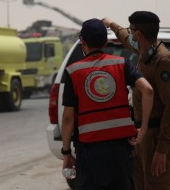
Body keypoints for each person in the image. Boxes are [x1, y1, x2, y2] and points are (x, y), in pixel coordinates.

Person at [61, 18, 154, 190]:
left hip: (89, 152)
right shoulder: (121, 64)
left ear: (83, 41)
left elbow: (68, 118)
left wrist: (66, 152)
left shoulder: (73, 71)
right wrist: (144, 128)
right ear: (105, 42)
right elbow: (148, 90)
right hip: (120, 150)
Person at [102, 11, 170, 190]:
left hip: (155, 137)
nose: (130, 33)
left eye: (132, 30)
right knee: (141, 184)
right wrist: (111, 23)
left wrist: (162, 149)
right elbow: (125, 38)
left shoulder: (162, 59)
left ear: (139, 34)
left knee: (158, 185)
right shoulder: (145, 50)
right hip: (142, 134)